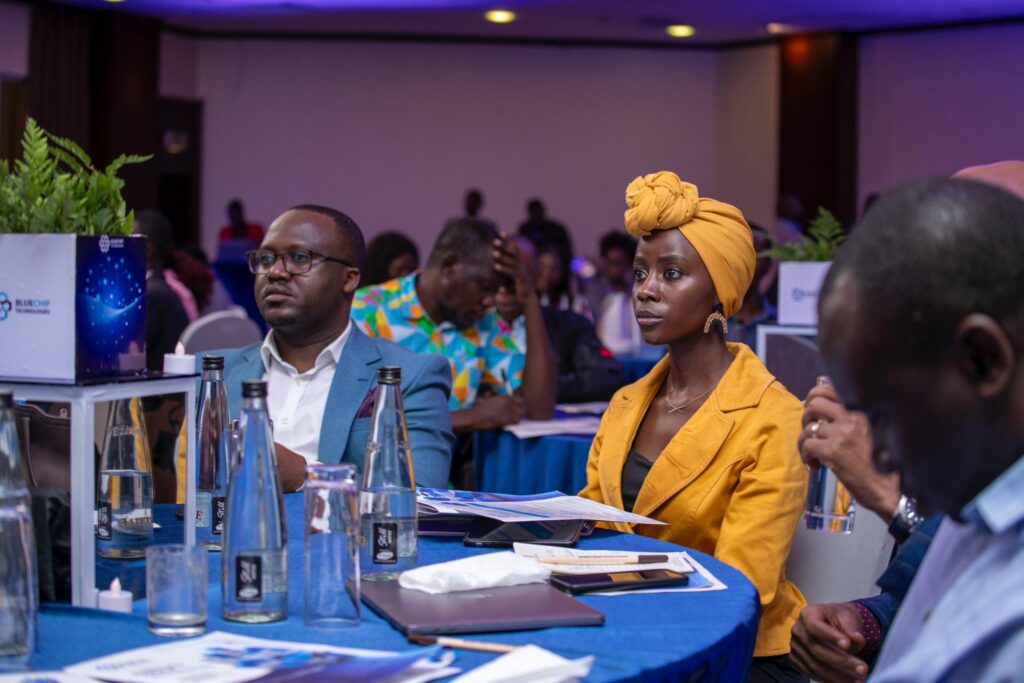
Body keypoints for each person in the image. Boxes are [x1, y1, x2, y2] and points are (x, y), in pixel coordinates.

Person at [578, 171, 808, 680]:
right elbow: (592, 527)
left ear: (719, 293)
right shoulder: (625, 403)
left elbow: (743, 585)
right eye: (641, 274)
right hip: (627, 630)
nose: (646, 291)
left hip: (736, 652)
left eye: (672, 273)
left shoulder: (773, 418)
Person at [816, 177, 1024, 681]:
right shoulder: (977, 502)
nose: (878, 455)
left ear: (983, 359)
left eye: (884, 414)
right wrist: (868, 623)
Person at [211, 204, 454, 492]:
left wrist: (304, 475)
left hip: (341, 523)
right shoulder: (211, 374)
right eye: (265, 259)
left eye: (298, 258)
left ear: (349, 279)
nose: (275, 272)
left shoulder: (410, 376)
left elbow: (420, 494)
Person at [351, 218, 556, 434]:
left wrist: (529, 299)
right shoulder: (367, 312)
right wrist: (469, 418)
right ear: (449, 266)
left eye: (495, 291)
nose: (491, 301)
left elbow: (538, 409)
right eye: (485, 286)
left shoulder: (484, 324)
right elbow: (350, 422)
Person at [493, 238, 627, 403]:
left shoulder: (568, 325)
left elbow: (609, 377)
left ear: (536, 276)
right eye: (497, 279)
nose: (503, 291)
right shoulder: (474, 328)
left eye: (513, 279)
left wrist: (538, 388)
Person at [134, 211, 190, 371]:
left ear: (147, 250)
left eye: (128, 240)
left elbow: (128, 355)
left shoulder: (151, 295)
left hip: (152, 386)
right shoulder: (162, 287)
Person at [726, 226, 777, 348]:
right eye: (731, 255)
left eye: (750, 256)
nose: (740, 265)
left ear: (768, 266)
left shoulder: (781, 326)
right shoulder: (697, 324)